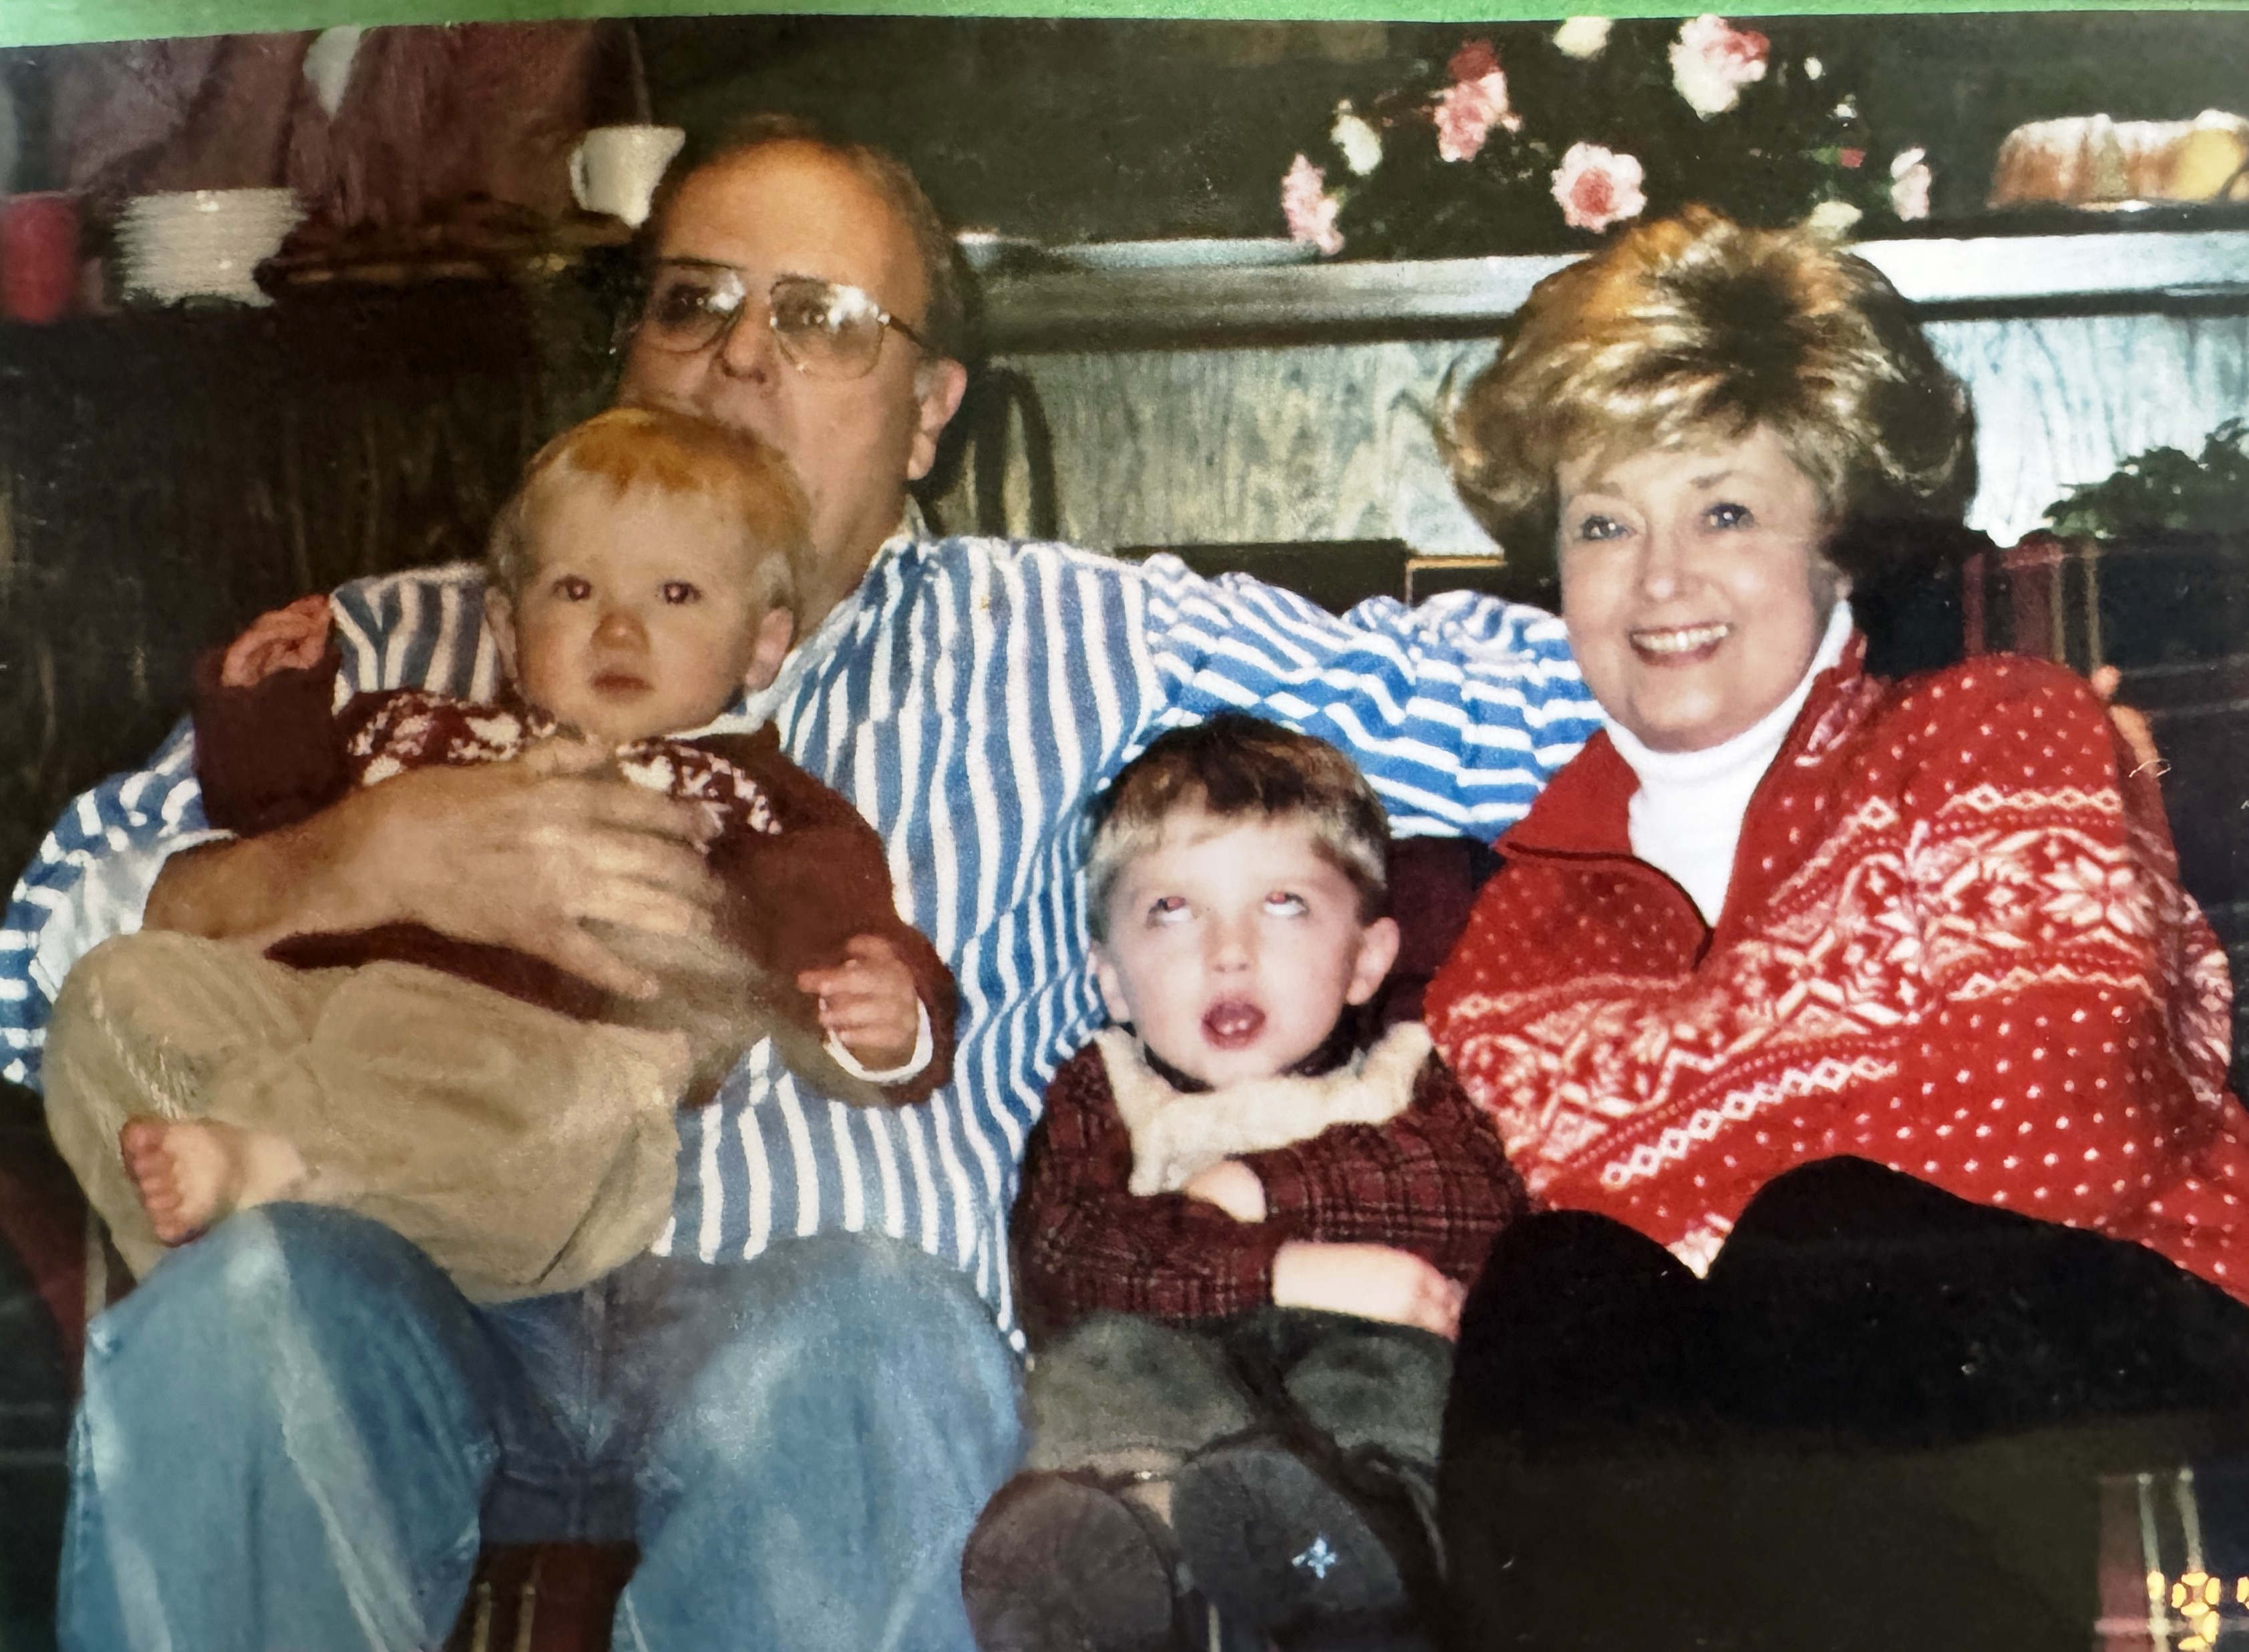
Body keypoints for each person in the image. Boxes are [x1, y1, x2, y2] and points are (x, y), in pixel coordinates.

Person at [0, 116, 1602, 1650]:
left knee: (880, 1328)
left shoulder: (1066, 633)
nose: (739, 356)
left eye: (822, 318)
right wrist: (345, 860)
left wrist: (1695, 556)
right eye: (691, 301)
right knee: (248, 1296)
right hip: (403, 1278)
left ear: (928, 412)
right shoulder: (407, 635)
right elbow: (31, 971)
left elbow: (1507, 704)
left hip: (818, 1345)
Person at [1423, 207, 2249, 1648]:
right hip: (1787, 1484)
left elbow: (2065, 1139)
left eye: (1724, 511)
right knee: (1560, 1282)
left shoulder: (1994, 729)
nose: (1659, 578)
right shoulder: (1510, 938)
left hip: (2114, 1356)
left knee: (1825, 1234)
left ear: (1840, 544)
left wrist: (1706, 1226)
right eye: (1604, 522)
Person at [40, 405, 955, 1303]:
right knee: (117, 989)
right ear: (511, 636)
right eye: (576, 590)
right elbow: (271, 815)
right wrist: (268, 702)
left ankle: (278, 1186)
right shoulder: (415, 726)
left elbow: (841, 939)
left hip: (551, 1065)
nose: (619, 629)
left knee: (562, 1119)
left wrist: (893, 1019)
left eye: (675, 594)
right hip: (323, 1014)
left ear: (763, 644)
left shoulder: (747, 794)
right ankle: (252, 1253)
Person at [962, 715, 1527, 1652]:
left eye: (1284, 904)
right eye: (1172, 910)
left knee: (1399, 1363)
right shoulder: (1105, 1090)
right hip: (1171, 1406)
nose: (1229, 951)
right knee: (1103, 1358)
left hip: (1349, 1427)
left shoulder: (1407, 1071)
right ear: (1111, 980)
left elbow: (1473, 1199)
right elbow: (1067, 1255)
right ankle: (1134, 1548)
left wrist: (1260, 1188)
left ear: (1366, 959)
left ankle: (1365, 1546)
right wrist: (1283, 1269)